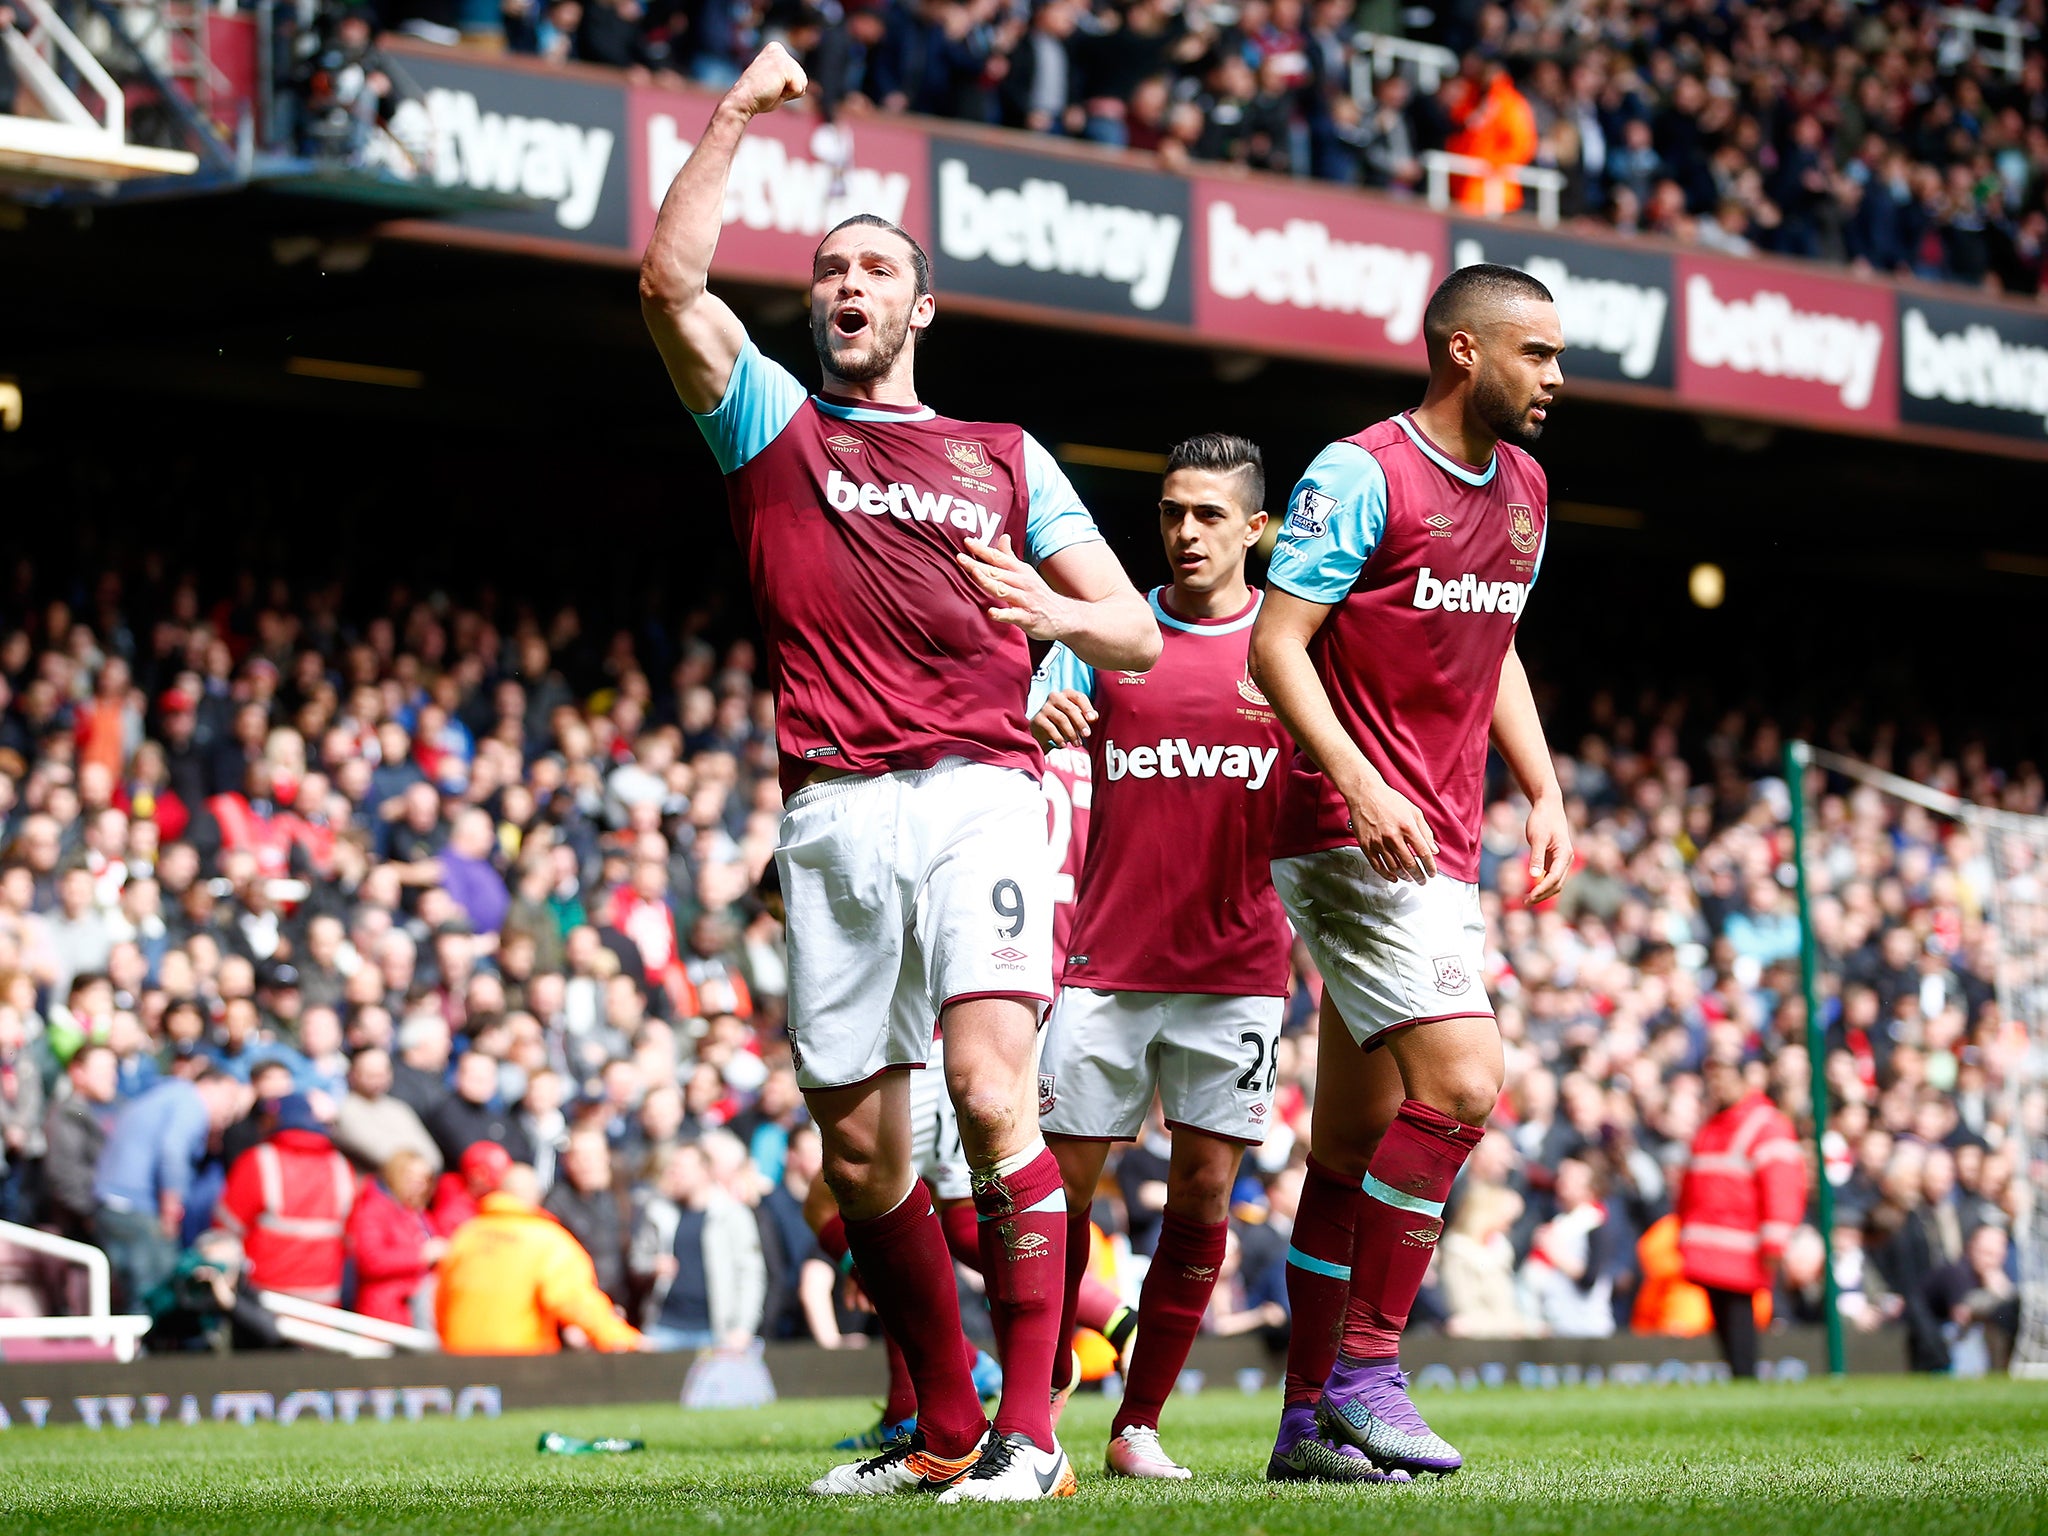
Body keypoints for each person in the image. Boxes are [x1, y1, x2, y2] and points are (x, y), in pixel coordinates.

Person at [639, 40, 1158, 1502]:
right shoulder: (775, 430)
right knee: (864, 1159)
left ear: (920, 307)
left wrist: (1054, 619)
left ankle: (1036, 1442)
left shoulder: (1002, 454)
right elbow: (671, 287)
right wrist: (737, 114)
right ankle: (940, 1428)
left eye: (872, 270)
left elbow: (1123, 626)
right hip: (831, 812)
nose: (844, 288)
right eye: (827, 273)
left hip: (978, 790)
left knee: (994, 1095)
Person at [1247, 262, 1569, 1479]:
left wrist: (1539, 786)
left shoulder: (1526, 492)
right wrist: (1363, 780)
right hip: (1350, 825)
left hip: (1439, 833)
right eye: (1534, 355)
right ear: (1461, 352)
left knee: (1349, 1147)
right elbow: (1278, 647)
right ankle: (1369, 1374)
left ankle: (1300, 1429)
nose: (1553, 379)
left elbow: (1495, 651)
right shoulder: (1359, 471)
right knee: (1465, 1080)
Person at [1029, 433, 1311, 1482]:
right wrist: (1033, 713)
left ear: (1255, 529)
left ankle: (1136, 1424)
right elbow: (1017, 723)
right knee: (1057, 1199)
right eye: (1168, 514)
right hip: (1103, 964)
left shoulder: (1289, 648)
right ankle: (1036, 1405)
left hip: (1236, 974)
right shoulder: (1108, 629)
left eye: (1205, 515)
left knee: (1200, 1201)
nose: (1183, 533)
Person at [1675, 1057, 1806, 1379]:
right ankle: (1738, 1373)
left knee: (1738, 1313)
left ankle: (1744, 1373)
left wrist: (1775, 1239)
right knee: (1721, 1314)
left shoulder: (1765, 1124)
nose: (1718, 1087)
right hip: (1711, 1240)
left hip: (1741, 1242)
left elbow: (1781, 1185)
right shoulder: (1713, 1124)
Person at [437, 1162, 644, 1355]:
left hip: (461, 1365)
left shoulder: (466, 1235)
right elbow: (576, 1301)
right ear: (534, 1195)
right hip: (520, 1364)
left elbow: (440, 1301)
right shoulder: (546, 1240)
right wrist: (625, 1340)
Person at [92, 1070, 246, 1309]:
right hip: (136, 1207)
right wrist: (172, 1210)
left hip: (113, 1203)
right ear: (209, 1085)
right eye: (230, 1097)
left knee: (133, 1290)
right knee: (157, 1292)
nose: (231, 1109)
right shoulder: (190, 1102)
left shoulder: (168, 1096)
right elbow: (173, 1152)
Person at [212, 1092, 358, 1304]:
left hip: (264, 1298)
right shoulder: (341, 1165)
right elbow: (351, 1235)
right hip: (322, 1300)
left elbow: (225, 1229)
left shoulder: (259, 1160)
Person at [629, 1140, 768, 1350]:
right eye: (671, 1168)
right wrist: (653, 1266)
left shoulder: (733, 1215)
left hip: (715, 1329)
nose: (673, 1174)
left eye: (680, 1169)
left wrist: (743, 1328)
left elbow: (750, 1274)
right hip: (664, 1325)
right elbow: (637, 1260)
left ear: (704, 1171)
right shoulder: (658, 1212)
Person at [347, 1148, 446, 1328]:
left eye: (424, 1178)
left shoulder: (420, 1214)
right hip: (385, 1312)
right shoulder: (373, 1209)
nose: (419, 1184)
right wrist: (421, 1256)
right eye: (411, 1177)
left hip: (417, 1309)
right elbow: (370, 1260)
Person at [42, 1041, 119, 1241]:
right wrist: (96, 1216)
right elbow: (65, 1177)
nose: (112, 1077)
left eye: (113, 1069)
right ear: (78, 1073)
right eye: (102, 1070)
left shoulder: (122, 1107)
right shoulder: (69, 1113)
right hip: (86, 1227)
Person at [544, 1128, 629, 1305]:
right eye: (579, 1156)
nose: (587, 1163)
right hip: (577, 1308)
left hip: (618, 1305)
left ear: (606, 1157)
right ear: (567, 1162)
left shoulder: (620, 1195)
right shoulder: (556, 1203)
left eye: (593, 1155)